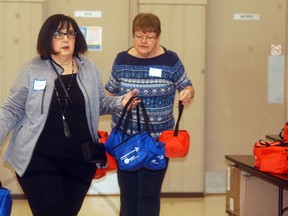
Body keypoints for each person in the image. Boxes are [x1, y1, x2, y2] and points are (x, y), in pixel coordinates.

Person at [0, 14, 138, 216]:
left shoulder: (89, 69)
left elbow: (99, 103)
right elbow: (11, 108)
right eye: (59, 33)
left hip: (79, 160)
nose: (65, 39)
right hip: (38, 159)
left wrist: (121, 102)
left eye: (70, 34)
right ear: (47, 38)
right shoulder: (32, 69)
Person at [105, 12, 195, 216]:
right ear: (133, 35)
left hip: (157, 141)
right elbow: (109, 94)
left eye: (149, 36)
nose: (143, 41)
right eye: (138, 36)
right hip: (126, 140)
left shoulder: (170, 60)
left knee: (149, 195)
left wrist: (187, 93)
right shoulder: (122, 60)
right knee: (128, 196)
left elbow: (186, 85)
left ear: (158, 37)